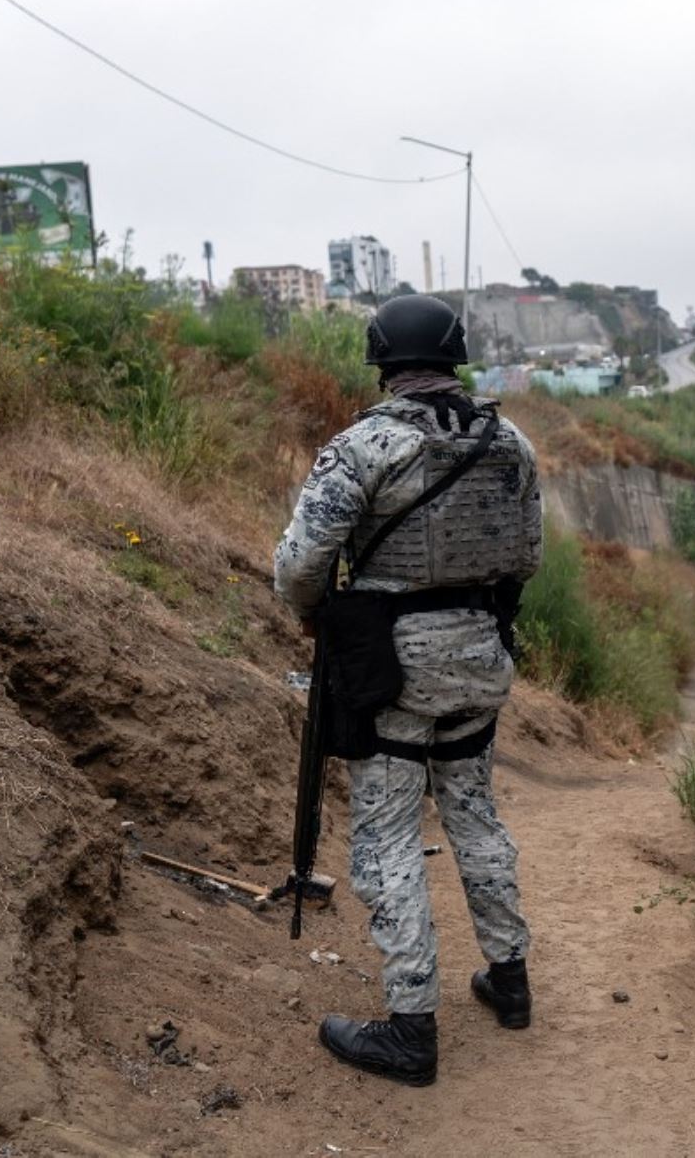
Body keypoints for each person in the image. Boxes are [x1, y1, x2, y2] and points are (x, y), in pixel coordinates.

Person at [272, 294, 542, 1087]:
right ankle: (511, 978)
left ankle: (412, 1028)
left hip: (393, 667)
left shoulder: (363, 445)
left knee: (387, 836)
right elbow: (528, 555)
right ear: (453, 358)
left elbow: (296, 569)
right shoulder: (512, 441)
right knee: (475, 813)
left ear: (383, 361)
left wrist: (318, 611)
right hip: (482, 658)